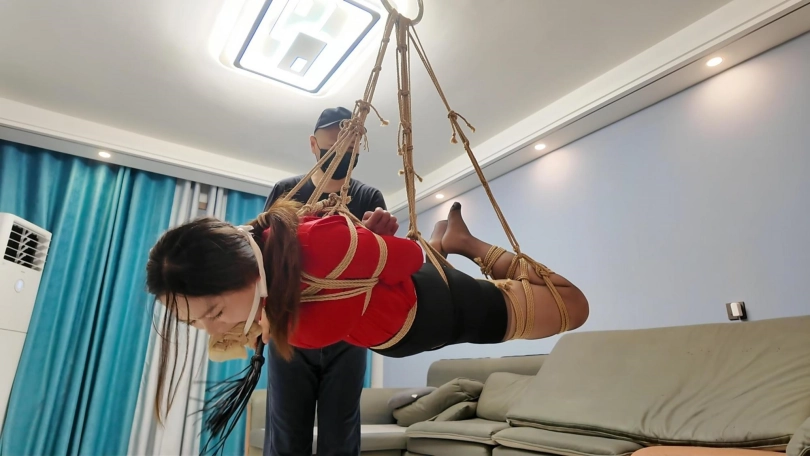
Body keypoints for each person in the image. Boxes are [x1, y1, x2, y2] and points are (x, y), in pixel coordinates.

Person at [145, 200, 590, 449]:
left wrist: (367, 243)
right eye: (196, 323)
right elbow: (392, 262)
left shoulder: (299, 313)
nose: (213, 329)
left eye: (214, 313)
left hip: (439, 310)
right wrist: (368, 243)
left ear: (242, 270)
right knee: (442, 271)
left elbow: (408, 258)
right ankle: (447, 245)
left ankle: (466, 243)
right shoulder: (285, 251)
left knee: (572, 306)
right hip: (410, 314)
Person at [261, 107, 386, 455]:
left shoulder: (369, 198)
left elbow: (378, 265)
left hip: (348, 333)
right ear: (314, 145)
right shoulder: (287, 191)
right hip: (290, 327)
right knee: (286, 433)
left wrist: (376, 240)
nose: (343, 152)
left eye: (351, 146)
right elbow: (264, 256)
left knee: (341, 434)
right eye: (334, 145)